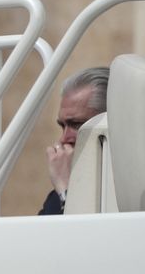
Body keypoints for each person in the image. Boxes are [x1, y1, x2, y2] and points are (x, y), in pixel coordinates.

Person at [40, 66, 108, 215]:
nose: (63, 139)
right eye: (62, 125)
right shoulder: (55, 198)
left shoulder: (135, 190)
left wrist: (66, 189)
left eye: (76, 125)